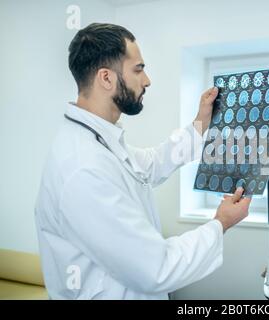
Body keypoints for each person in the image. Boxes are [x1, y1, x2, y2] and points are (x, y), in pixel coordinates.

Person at [34, 23, 251, 300]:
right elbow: (156, 268)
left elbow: (150, 164)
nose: (147, 80)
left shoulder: (98, 141)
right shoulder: (83, 168)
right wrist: (220, 223)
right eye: (138, 69)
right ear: (106, 78)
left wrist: (200, 123)